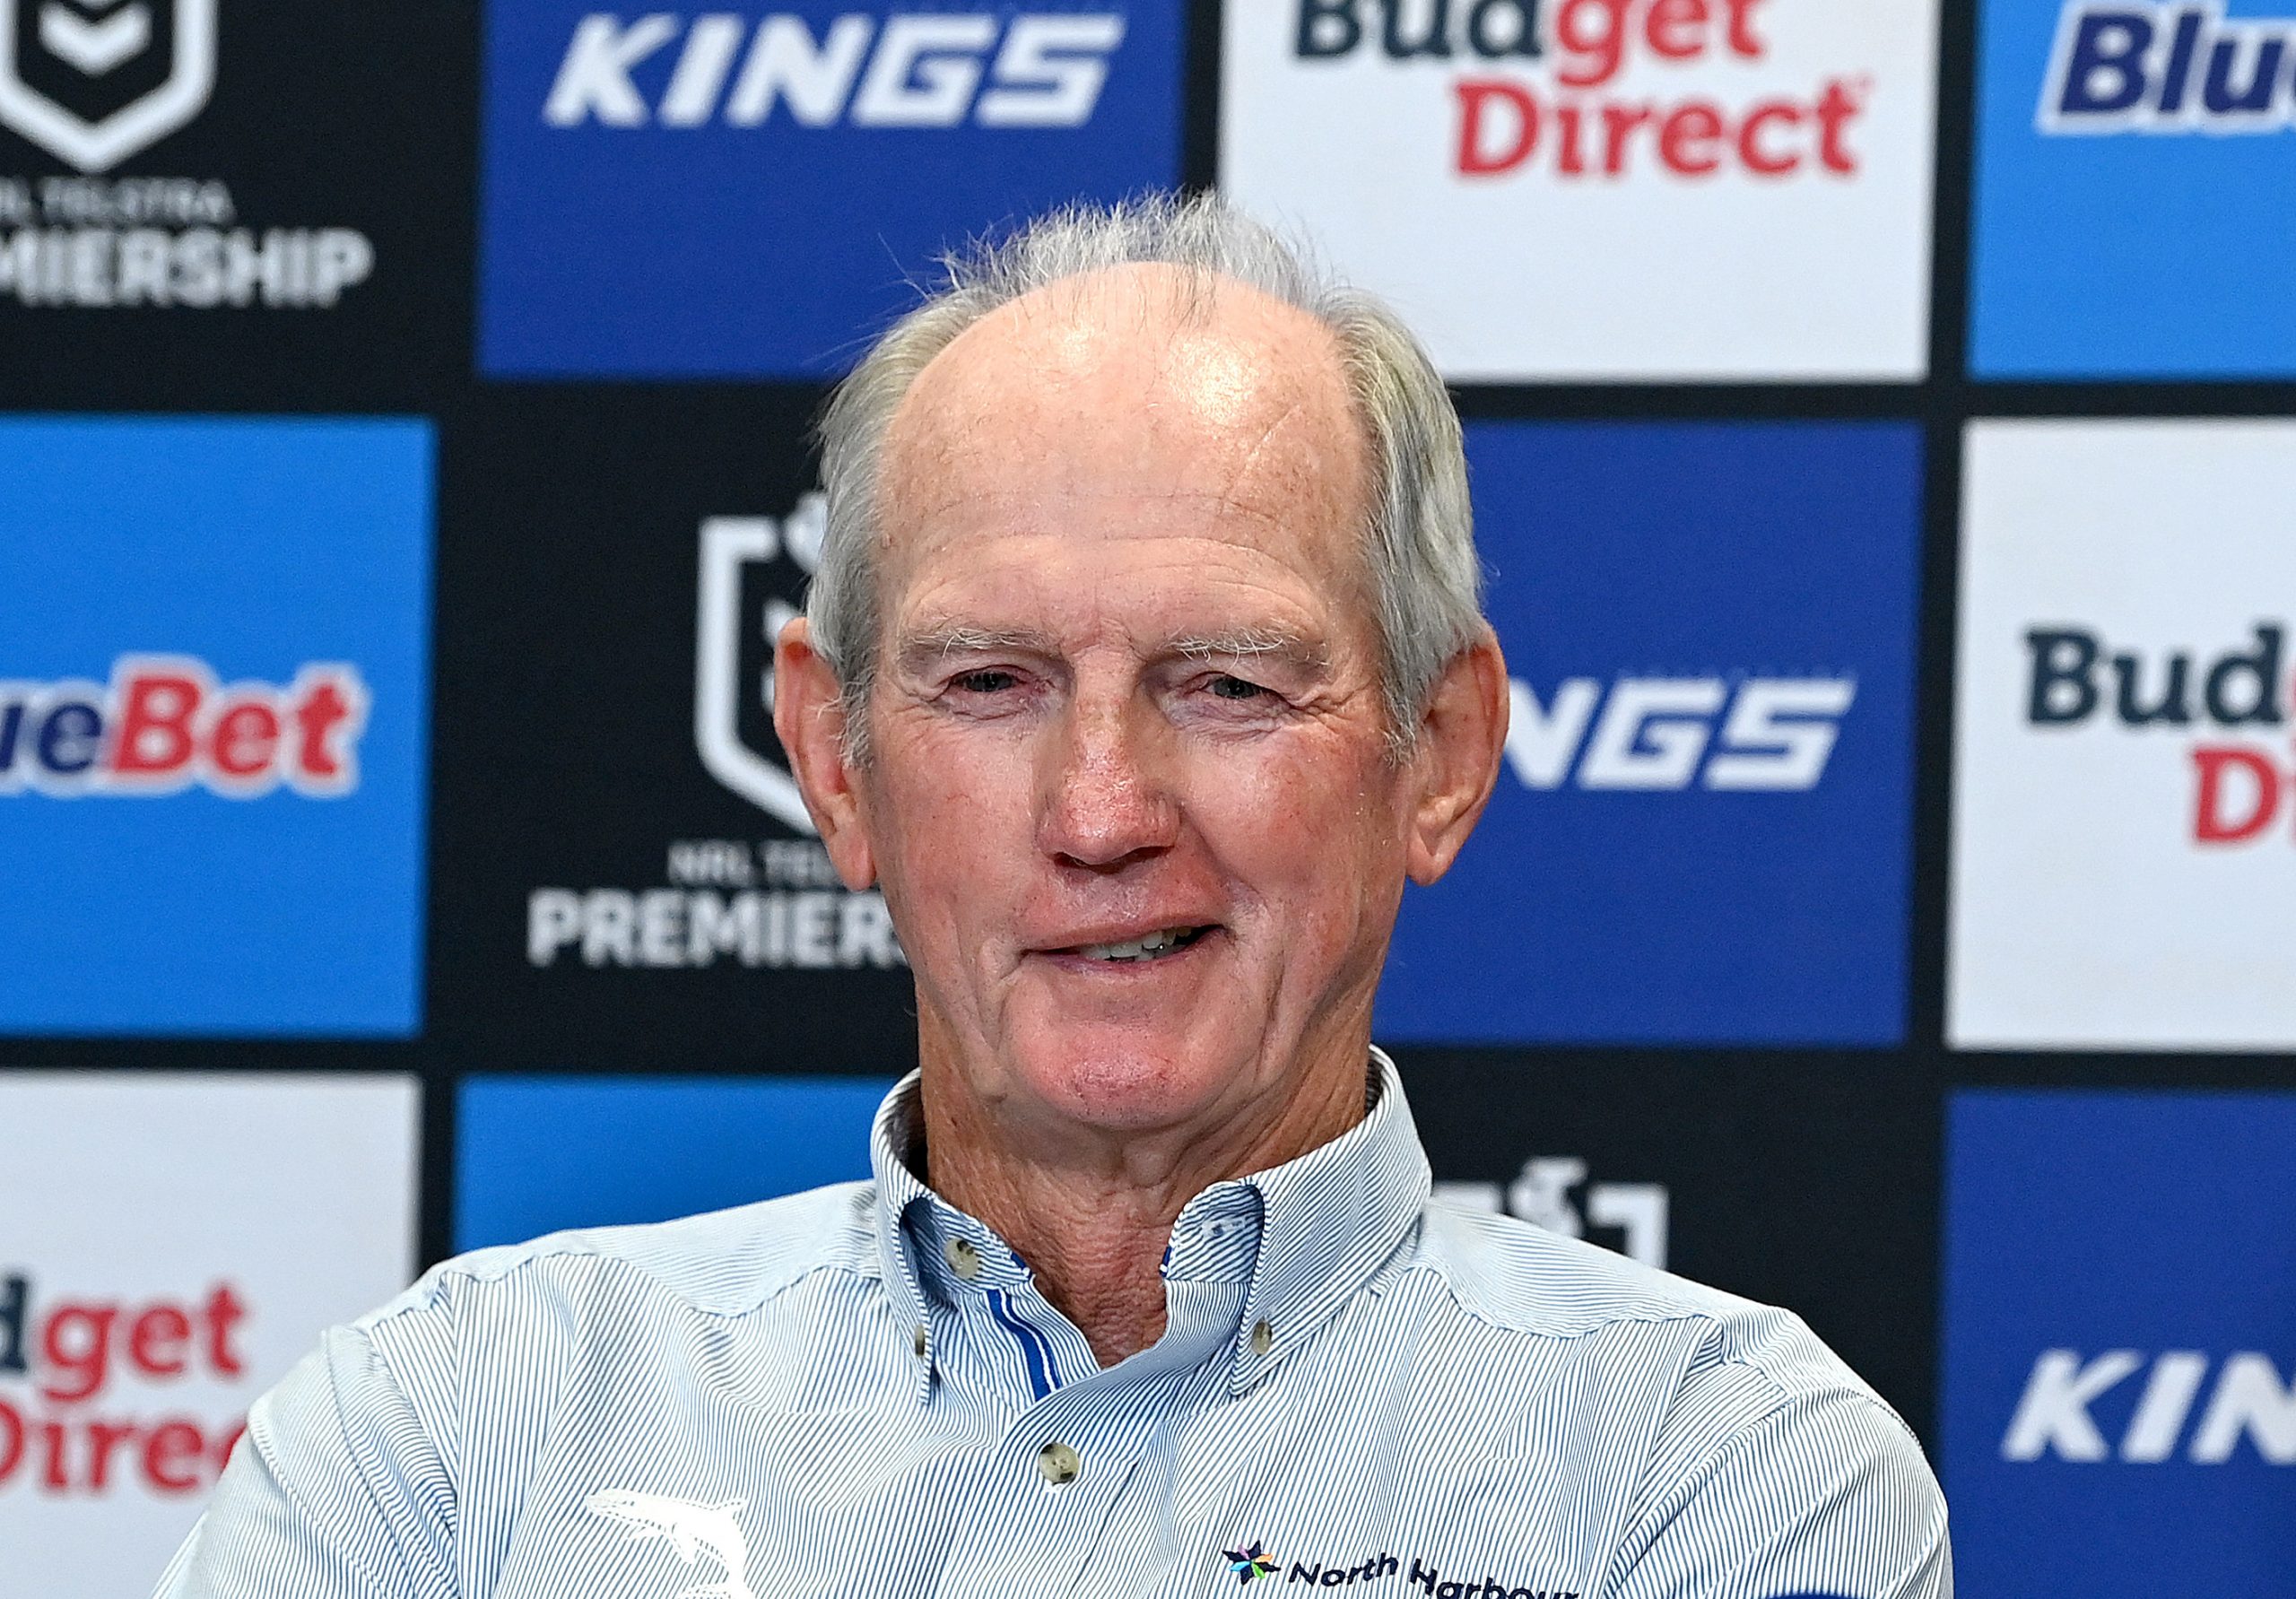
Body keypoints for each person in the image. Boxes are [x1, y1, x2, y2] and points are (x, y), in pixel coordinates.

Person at [156, 195, 1948, 1599]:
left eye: (1226, 684)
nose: (1100, 813)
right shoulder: (459, 1430)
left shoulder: (1707, 1469)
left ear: (1439, 750)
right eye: (987, 682)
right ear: (834, 757)